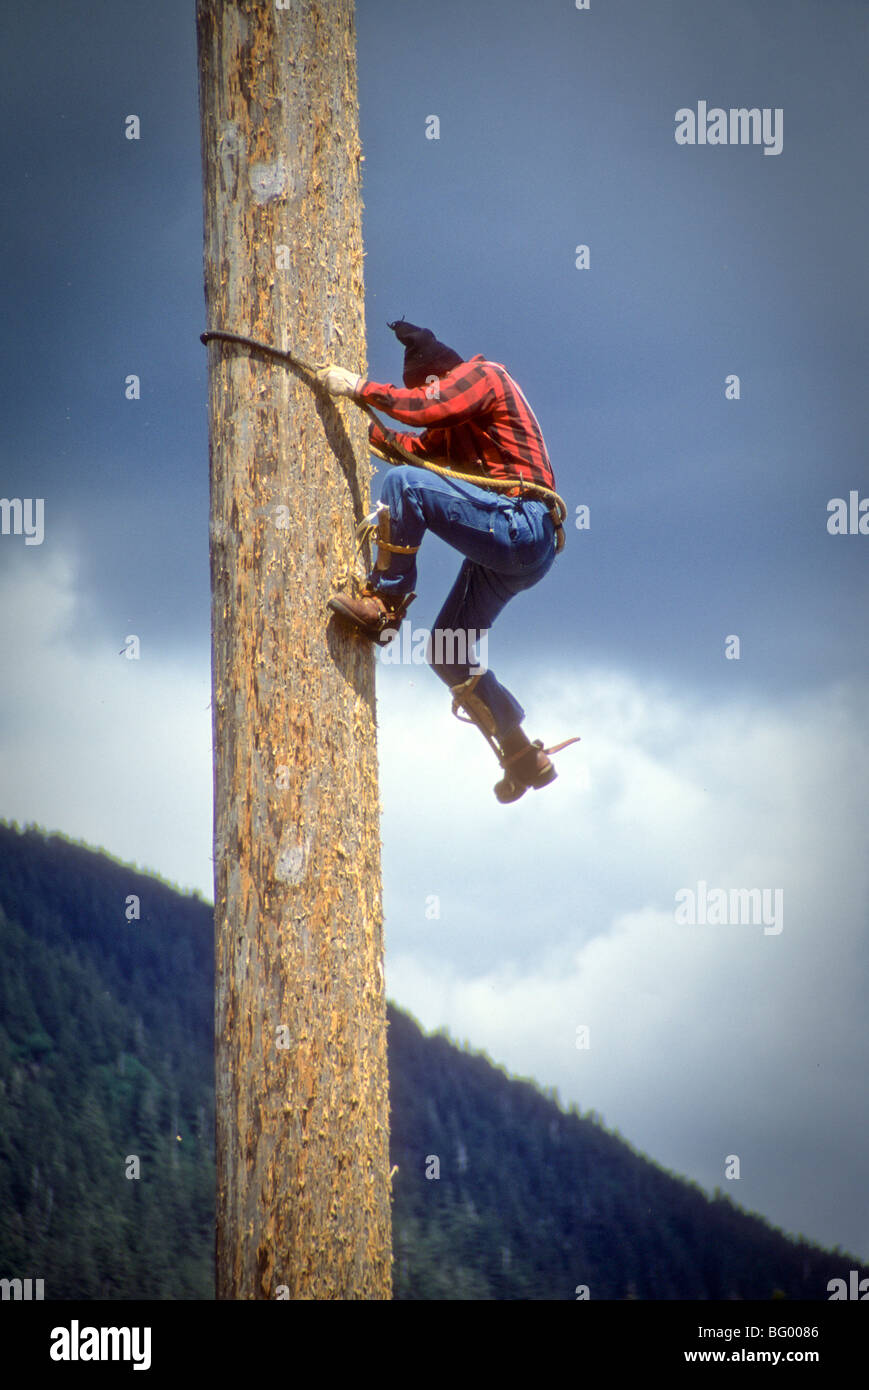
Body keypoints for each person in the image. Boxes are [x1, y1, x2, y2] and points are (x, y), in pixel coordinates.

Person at [317, 319, 565, 802]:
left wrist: (360, 388)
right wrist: (354, 417)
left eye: (425, 390)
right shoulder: (450, 434)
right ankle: (519, 752)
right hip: (520, 552)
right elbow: (406, 446)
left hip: (522, 523)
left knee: (404, 487)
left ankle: (385, 603)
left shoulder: (485, 376)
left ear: (438, 380)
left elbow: (427, 412)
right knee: (448, 650)